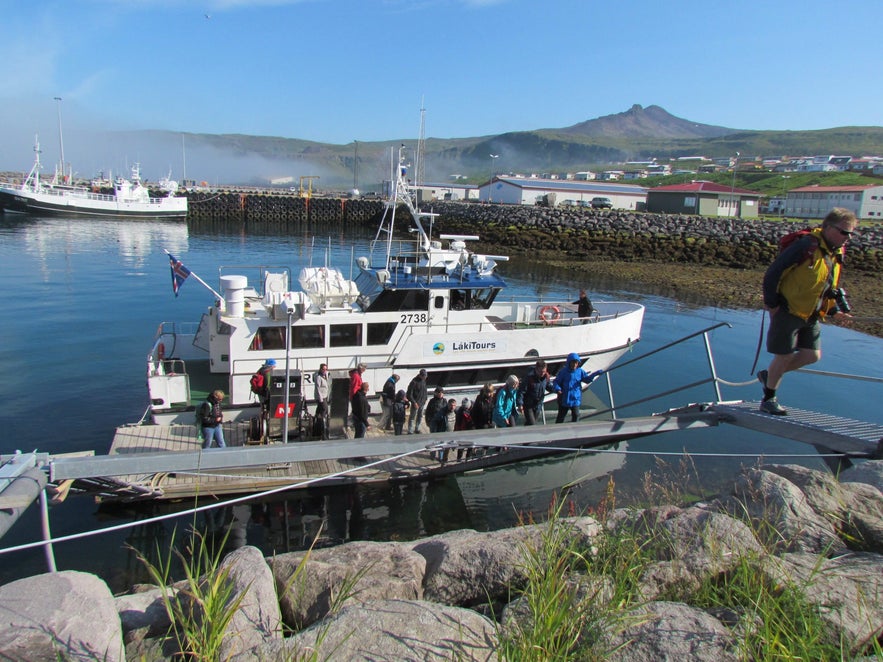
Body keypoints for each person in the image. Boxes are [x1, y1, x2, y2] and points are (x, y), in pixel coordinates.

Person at [758, 208, 857, 415]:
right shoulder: (806, 246)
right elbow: (773, 273)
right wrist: (773, 304)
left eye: (851, 233)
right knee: (783, 356)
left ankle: (770, 376)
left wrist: (833, 312)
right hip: (788, 309)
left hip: (811, 314)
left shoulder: (834, 253)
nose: (848, 238)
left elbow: (825, 286)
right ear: (829, 228)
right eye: (844, 232)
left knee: (811, 355)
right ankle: (768, 399)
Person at [552, 352, 604, 423]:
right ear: (569, 362)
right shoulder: (563, 372)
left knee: (576, 415)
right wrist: (558, 389)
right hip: (564, 399)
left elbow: (587, 379)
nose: (574, 364)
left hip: (575, 399)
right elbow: (556, 382)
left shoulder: (580, 371)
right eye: (573, 362)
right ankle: (557, 431)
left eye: (576, 363)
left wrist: (595, 374)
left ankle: (575, 431)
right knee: (561, 417)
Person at [518, 359, 552, 425]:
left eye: (544, 372)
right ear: (536, 370)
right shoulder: (529, 377)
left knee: (529, 423)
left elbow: (548, 386)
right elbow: (521, 391)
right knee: (532, 423)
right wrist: (520, 404)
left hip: (538, 404)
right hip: (528, 404)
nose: (542, 374)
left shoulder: (546, 377)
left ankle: (524, 433)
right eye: (540, 372)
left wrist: (556, 390)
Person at [406, 369, 429, 434]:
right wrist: (414, 402)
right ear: (420, 375)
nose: (425, 377)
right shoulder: (414, 382)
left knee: (420, 416)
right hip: (415, 403)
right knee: (412, 417)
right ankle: (410, 430)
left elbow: (425, 391)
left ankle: (417, 428)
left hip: (422, 402)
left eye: (426, 376)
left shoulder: (423, 381)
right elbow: (409, 394)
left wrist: (425, 398)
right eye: (424, 376)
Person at [313, 363, 330, 438]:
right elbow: (318, 388)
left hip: (325, 395)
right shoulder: (318, 377)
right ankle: (322, 425)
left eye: (326, 369)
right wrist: (320, 399)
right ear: (320, 369)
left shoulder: (326, 375)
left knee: (319, 411)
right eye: (323, 369)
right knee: (324, 409)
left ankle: (317, 426)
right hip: (321, 397)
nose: (325, 370)